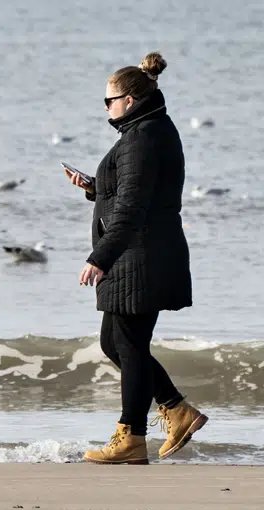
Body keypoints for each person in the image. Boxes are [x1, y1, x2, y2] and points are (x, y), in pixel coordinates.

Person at [67, 53, 208, 465]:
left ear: (129, 100)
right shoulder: (145, 131)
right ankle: (176, 410)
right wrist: (95, 188)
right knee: (115, 343)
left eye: (108, 101)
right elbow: (136, 191)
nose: (105, 108)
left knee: (128, 346)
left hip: (139, 257)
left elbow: (132, 207)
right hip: (137, 254)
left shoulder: (142, 138)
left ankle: (131, 436)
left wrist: (100, 257)